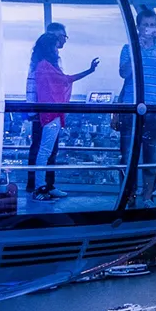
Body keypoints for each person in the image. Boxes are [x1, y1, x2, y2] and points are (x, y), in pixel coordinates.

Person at [29, 31, 98, 201]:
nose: (57, 50)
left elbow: (63, 81)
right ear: (48, 48)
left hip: (49, 114)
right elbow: (66, 80)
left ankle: (43, 186)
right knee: (45, 152)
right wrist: (89, 71)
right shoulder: (45, 66)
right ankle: (40, 188)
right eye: (55, 47)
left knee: (45, 152)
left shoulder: (41, 65)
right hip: (51, 114)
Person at [118, 7, 156, 203]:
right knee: (128, 156)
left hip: (155, 109)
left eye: (153, 25)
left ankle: (147, 196)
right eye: (146, 25)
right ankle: (129, 196)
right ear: (138, 27)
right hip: (131, 108)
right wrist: (138, 50)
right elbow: (124, 73)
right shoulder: (129, 48)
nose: (149, 29)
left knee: (152, 155)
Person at [25, 22, 67, 193]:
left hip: (49, 110)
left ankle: (46, 185)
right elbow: (33, 85)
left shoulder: (52, 57)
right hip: (43, 111)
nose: (62, 40)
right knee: (41, 148)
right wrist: (33, 109)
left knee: (48, 148)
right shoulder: (43, 60)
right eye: (60, 36)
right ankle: (38, 186)